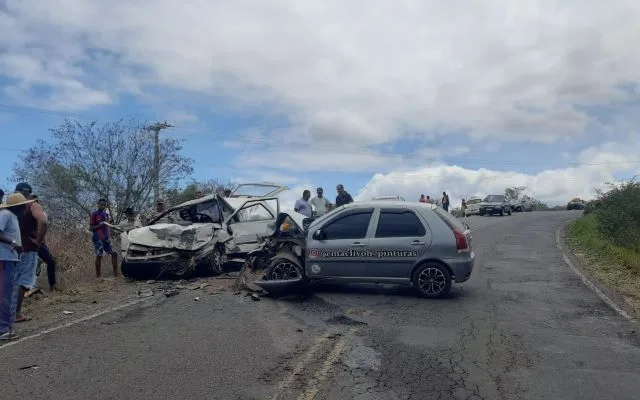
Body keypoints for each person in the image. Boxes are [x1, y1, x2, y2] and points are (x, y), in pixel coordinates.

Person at [0, 192, 32, 340]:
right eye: (23, 205)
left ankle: (6, 328)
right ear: (17, 206)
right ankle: (3, 330)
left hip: (10, 259)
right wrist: (13, 243)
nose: (25, 207)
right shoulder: (6, 214)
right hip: (4, 259)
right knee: (5, 295)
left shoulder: (12, 216)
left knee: (7, 294)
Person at [14, 183, 47, 323]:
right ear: (29, 194)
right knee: (23, 281)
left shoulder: (9, 207)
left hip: (10, 248)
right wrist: (38, 241)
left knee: (10, 281)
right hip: (27, 248)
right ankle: (16, 314)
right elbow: (43, 221)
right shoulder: (32, 205)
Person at [32, 195, 57, 291]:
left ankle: (52, 286)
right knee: (33, 265)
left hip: (39, 244)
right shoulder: (26, 214)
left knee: (51, 261)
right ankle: (31, 288)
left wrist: (41, 241)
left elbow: (43, 226)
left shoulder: (40, 213)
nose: (36, 203)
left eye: (37, 201)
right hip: (31, 243)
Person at [90, 198, 118, 278]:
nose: (103, 206)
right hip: (98, 238)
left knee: (114, 253)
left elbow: (108, 227)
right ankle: (98, 276)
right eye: (101, 204)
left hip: (106, 238)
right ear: (98, 204)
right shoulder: (94, 214)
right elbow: (91, 228)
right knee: (99, 255)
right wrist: (100, 225)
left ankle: (116, 275)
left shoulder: (106, 215)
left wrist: (109, 237)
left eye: (104, 205)